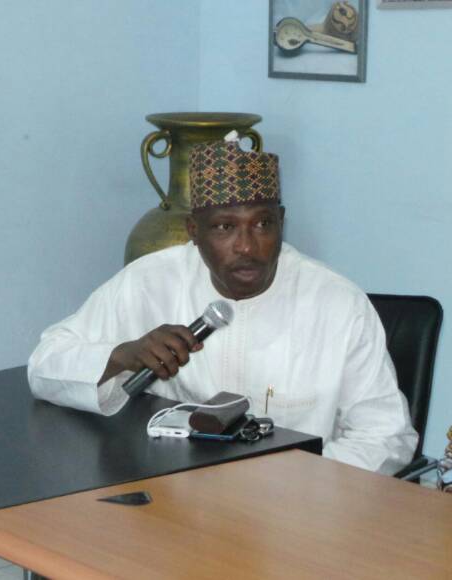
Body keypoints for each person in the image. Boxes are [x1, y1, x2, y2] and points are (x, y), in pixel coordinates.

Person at [28, 134, 417, 475]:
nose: (247, 246)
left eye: (262, 225)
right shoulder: (150, 281)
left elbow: (385, 435)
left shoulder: (337, 303)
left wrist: (297, 485)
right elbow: (45, 366)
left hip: (297, 509)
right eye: (224, 227)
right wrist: (123, 355)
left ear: (281, 222)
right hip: (178, 501)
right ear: (194, 232)